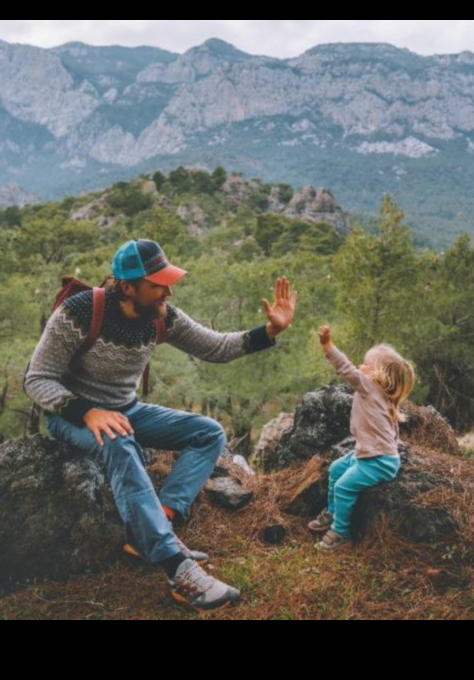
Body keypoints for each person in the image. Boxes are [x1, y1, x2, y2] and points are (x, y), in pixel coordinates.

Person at [24, 239, 296, 610]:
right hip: (71, 418)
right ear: (127, 286)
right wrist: (88, 412)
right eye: (158, 283)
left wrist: (269, 331)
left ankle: (159, 522)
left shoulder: (161, 316)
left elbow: (215, 347)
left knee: (208, 432)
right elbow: (37, 379)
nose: (168, 290)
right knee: (118, 440)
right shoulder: (81, 312)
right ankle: (177, 569)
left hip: (127, 409)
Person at [308, 325, 415, 550]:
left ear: (378, 373)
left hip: (378, 461)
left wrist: (328, 346)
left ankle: (341, 533)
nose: (361, 365)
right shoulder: (382, 395)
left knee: (344, 487)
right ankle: (334, 512)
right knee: (336, 469)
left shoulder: (369, 386)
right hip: (368, 454)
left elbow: (346, 369)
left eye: (366, 363)